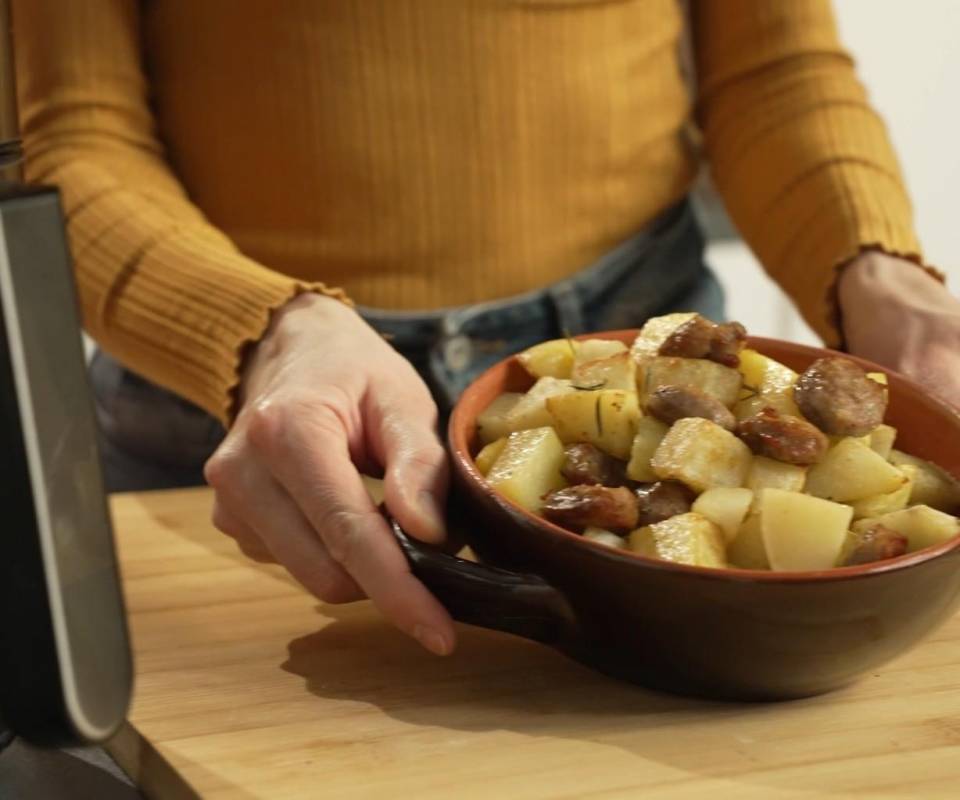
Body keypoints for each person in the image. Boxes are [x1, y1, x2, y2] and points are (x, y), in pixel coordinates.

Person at [13, 0, 960, 658]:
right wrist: (263, 331)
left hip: (639, 353)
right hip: (242, 408)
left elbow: (773, 67)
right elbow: (71, 131)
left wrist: (878, 273)